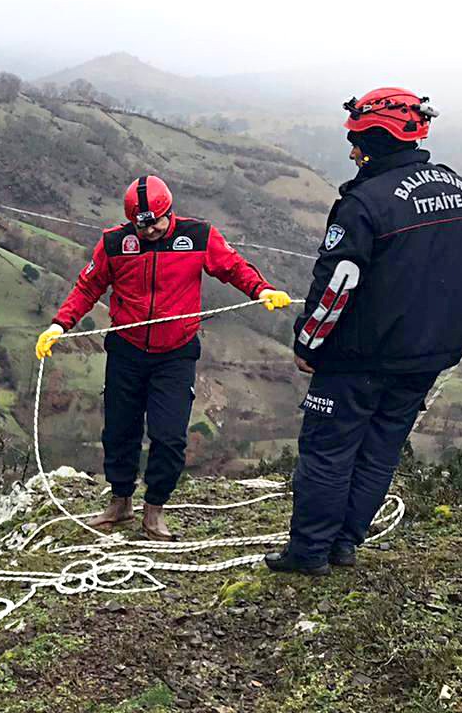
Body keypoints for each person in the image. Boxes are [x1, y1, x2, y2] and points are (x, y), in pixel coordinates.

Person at [266, 88, 462, 575]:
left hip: (358, 358)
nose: (352, 152)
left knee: (328, 452)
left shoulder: (364, 204)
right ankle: (345, 546)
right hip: (427, 357)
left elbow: (337, 286)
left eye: (357, 141)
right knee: (380, 450)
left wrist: (308, 342)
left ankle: (309, 553)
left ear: (376, 138)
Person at [37, 175, 291, 539]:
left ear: (169, 212)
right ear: (131, 221)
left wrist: (262, 289)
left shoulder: (199, 236)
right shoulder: (114, 243)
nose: (152, 230)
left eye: (157, 221)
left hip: (176, 354)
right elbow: (88, 286)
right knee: (120, 431)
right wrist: (59, 325)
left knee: (169, 436)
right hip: (126, 349)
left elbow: (232, 267)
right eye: (143, 225)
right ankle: (120, 502)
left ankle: (154, 509)